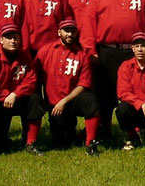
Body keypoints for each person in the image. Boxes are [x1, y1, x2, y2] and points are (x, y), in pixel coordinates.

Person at [80, 0, 145, 140]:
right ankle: (105, 130)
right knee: (105, 95)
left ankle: (137, 132)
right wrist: (91, 51)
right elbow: (89, 23)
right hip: (107, 51)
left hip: (135, 52)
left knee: (136, 92)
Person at [34, 19, 100, 156]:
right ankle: (73, 133)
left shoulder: (82, 55)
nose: (70, 34)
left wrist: (64, 101)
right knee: (62, 143)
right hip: (54, 104)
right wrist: (42, 101)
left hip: (71, 100)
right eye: (66, 31)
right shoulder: (45, 51)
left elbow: (83, 84)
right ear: (59, 32)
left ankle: (90, 143)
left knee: (91, 101)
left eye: (73, 31)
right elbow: (36, 78)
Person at [0, 24, 45, 155]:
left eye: (15, 38)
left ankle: (30, 142)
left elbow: (31, 80)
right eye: (9, 38)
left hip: (18, 98)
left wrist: (15, 94)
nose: (13, 41)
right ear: (1, 40)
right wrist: (5, 96)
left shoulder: (24, 56)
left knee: (35, 98)